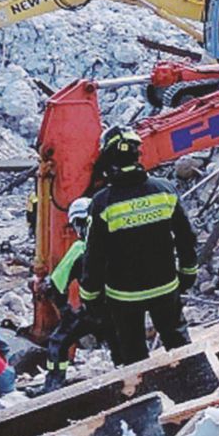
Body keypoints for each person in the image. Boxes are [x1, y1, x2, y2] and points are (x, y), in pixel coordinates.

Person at [79, 126, 197, 365]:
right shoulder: (164, 190)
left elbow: (94, 257)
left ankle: (143, 395)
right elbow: (186, 238)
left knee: (133, 354)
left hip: (124, 297)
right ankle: (198, 387)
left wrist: (90, 297)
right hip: (165, 287)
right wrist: (188, 273)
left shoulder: (102, 203)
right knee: (178, 343)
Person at [42, 197, 109, 391]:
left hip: (93, 308)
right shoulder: (117, 242)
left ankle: (54, 386)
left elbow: (55, 284)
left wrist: (65, 310)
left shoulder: (80, 249)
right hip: (122, 307)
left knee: (58, 342)